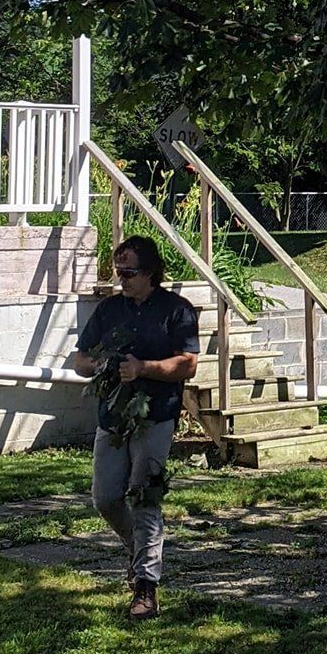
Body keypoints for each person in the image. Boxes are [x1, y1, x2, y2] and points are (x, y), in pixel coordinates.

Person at [72, 235, 202, 620]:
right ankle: (138, 550)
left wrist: (144, 369)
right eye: (118, 271)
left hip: (156, 415)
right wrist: (99, 367)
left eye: (129, 272)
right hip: (112, 417)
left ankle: (146, 586)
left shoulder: (177, 311)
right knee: (106, 496)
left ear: (150, 272)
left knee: (145, 498)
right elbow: (80, 358)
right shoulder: (110, 310)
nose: (122, 279)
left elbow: (188, 364)